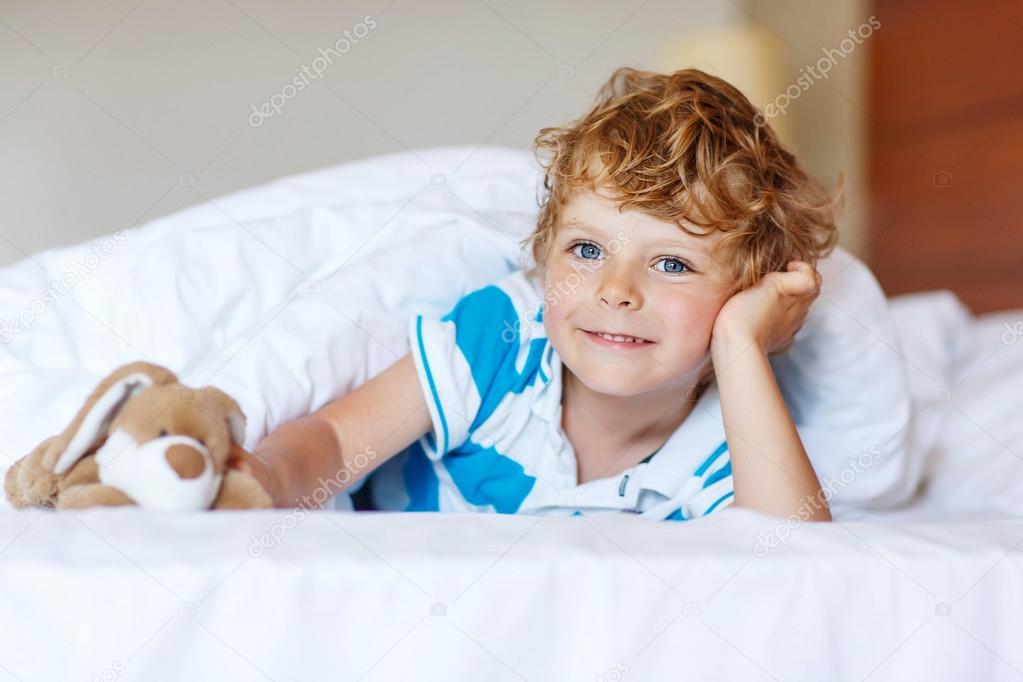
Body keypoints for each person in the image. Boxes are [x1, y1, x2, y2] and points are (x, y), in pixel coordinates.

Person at [230, 67, 846, 521]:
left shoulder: (727, 447)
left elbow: (796, 568)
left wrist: (741, 341)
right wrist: (266, 481)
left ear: (751, 293)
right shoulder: (502, 340)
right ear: (544, 254)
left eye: (671, 263)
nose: (616, 290)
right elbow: (337, 440)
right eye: (586, 250)